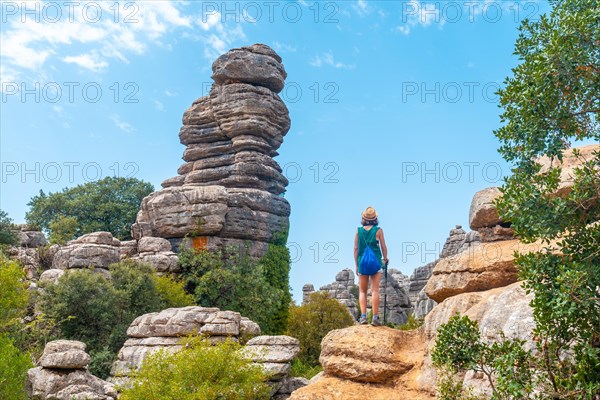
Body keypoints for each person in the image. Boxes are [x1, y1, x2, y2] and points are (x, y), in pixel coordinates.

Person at [354, 206, 389, 326]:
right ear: (375, 219)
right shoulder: (378, 230)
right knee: (375, 290)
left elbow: (355, 249)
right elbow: (383, 247)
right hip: (375, 262)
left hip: (362, 263)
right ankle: (375, 318)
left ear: (363, 218)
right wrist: (385, 258)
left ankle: (363, 317)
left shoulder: (358, 231)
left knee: (362, 291)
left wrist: (356, 264)